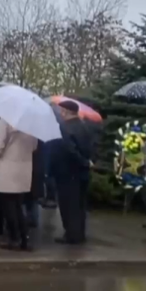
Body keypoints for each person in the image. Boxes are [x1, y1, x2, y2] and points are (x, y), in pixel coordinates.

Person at [0, 117, 38, 251]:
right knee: (18, 205)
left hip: (7, 167)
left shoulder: (5, 121)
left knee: (8, 206)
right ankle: (24, 239)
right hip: (24, 169)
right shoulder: (31, 123)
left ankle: (14, 238)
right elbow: (34, 146)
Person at [53, 101, 93, 245]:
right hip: (82, 172)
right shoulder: (84, 126)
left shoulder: (64, 128)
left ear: (65, 111)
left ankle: (71, 235)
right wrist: (87, 162)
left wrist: (82, 161)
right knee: (80, 205)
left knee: (68, 205)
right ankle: (79, 233)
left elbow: (69, 149)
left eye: (61, 111)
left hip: (68, 171)